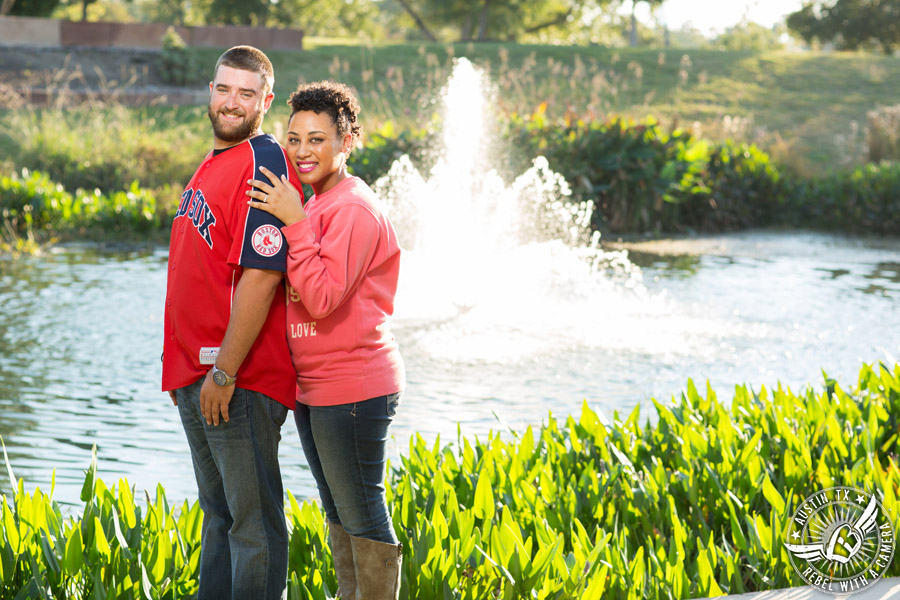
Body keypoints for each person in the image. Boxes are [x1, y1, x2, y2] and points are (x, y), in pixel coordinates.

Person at [246, 80, 405, 600]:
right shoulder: (314, 202)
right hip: (317, 388)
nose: (303, 151)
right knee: (339, 513)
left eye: (318, 139)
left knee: (362, 514)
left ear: (347, 142)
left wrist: (292, 221)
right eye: (294, 139)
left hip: (354, 387)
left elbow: (321, 298)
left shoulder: (352, 208)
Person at [161, 45, 303, 600]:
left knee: (253, 527)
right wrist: (182, 375)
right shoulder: (214, 160)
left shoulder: (264, 159)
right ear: (210, 90)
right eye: (224, 89)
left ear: (266, 101)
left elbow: (262, 276)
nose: (231, 102)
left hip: (237, 379)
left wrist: (222, 371)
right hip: (199, 377)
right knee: (218, 516)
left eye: (247, 93)